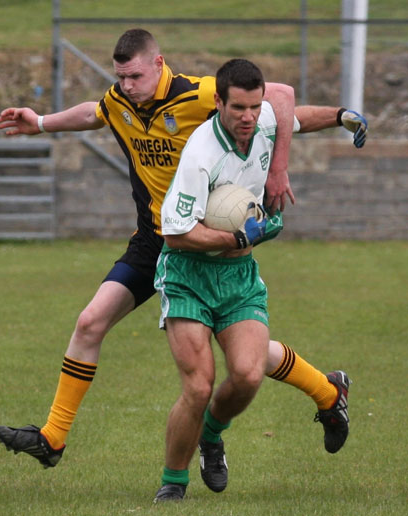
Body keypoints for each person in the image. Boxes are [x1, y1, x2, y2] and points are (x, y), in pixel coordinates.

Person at [0, 29, 367, 473]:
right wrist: (39, 123)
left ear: (158, 64)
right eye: (120, 77)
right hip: (155, 239)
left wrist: (320, 132)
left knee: (246, 357)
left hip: (205, 242)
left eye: (133, 76)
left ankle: (326, 393)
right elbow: (93, 114)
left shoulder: (201, 94)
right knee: (90, 322)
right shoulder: (121, 101)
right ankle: (52, 438)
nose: (125, 85)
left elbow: (280, 105)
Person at [153, 58, 354, 502]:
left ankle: (212, 435)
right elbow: (177, 232)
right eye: (238, 108)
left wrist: (340, 116)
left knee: (246, 374)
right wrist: (239, 234)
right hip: (188, 275)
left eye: (254, 107)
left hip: (238, 275)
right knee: (199, 384)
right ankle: (173, 483)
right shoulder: (201, 154)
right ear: (220, 103)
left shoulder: (262, 119)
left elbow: (294, 113)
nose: (247, 117)